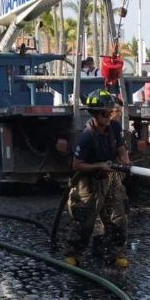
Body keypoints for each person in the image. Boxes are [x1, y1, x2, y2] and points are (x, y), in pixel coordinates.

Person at [64, 89, 130, 268]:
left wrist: (125, 162)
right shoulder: (86, 137)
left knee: (118, 218)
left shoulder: (114, 127)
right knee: (84, 220)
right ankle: (74, 253)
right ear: (94, 114)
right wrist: (99, 166)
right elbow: (76, 165)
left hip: (111, 178)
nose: (109, 116)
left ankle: (117, 253)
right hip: (88, 182)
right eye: (104, 113)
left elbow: (121, 147)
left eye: (110, 112)